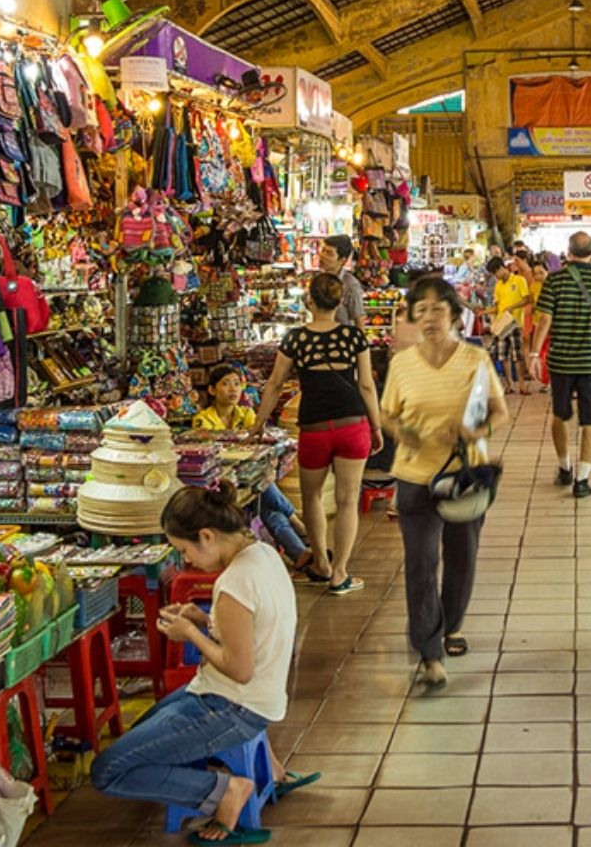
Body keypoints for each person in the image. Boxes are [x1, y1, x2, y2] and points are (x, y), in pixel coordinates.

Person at [91, 481, 318, 845]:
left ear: (207, 536)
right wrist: (202, 620)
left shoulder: (233, 584)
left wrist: (190, 634)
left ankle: (224, 791)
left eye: (184, 550)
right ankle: (257, 773)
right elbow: (254, 632)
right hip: (247, 696)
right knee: (140, 735)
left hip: (232, 707)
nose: (186, 560)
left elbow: (239, 669)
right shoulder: (263, 553)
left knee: (107, 770)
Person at [378, 276, 509, 690]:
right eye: (421, 310)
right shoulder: (402, 364)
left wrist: (475, 431)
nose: (429, 317)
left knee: (461, 557)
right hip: (414, 476)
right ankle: (429, 653)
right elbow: (386, 414)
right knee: (420, 562)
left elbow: (499, 411)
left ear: (454, 315)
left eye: (438, 308)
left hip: (463, 476)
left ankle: (451, 624)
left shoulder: (475, 360)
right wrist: (402, 432)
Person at [254, 273, 383, 596]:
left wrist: (257, 425)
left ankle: (322, 565)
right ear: (339, 302)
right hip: (352, 425)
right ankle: (340, 574)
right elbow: (366, 385)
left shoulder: (295, 339)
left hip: (314, 429)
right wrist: (377, 425)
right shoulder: (354, 337)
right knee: (347, 500)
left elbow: (274, 384)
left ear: (309, 300)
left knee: (311, 497)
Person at [195, 365, 327, 585]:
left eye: (236, 384)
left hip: (247, 479)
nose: (233, 389)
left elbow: (256, 446)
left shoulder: (246, 414)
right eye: (225, 384)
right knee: (264, 487)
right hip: (223, 484)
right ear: (211, 390)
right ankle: (297, 525)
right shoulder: (203, 419)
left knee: (267, 503)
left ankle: (300, 555)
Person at [531, 231, 591, 499]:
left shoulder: (554, 280)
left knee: (560, 414)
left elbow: (544, 319)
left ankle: (564, 468)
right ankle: (582, 480)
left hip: (561, 361)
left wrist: (534, 353)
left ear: (568, 253)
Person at [486, 256, 534, 394]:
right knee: (503, 355)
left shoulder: (519, 280)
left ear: (501, 268)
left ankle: (522, 385)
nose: (495, 276)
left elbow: (527, 299)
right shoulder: (498, 285)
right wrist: (485, 311)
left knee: (517, 355)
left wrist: (512, 307)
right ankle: (510, 384)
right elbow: (497, 306)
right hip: (502, 324)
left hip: (515, 323)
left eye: (495, 272)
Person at [317, 236, 365, 327]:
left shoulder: (350, 284)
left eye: (329, 253)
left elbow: (358, 319)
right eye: (323, 250)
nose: (322, 255)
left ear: (342, 260)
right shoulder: (318, 279)